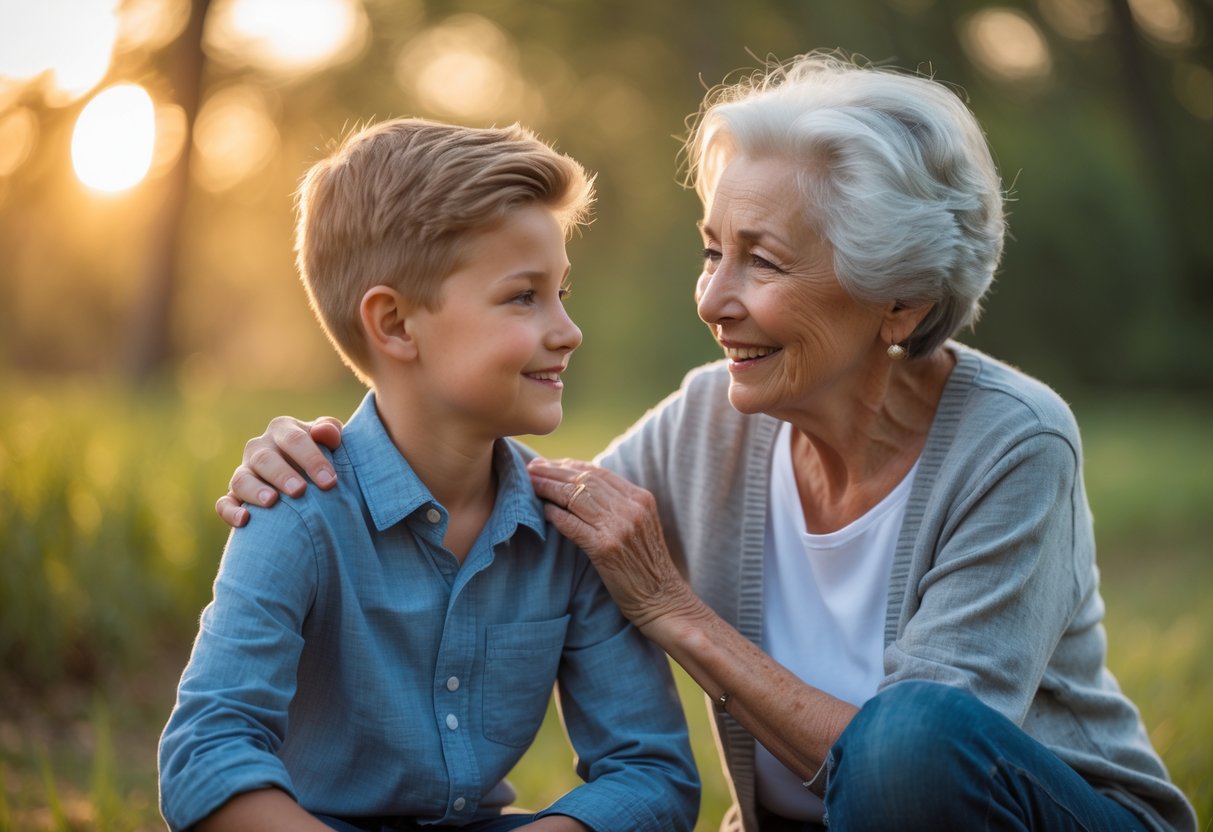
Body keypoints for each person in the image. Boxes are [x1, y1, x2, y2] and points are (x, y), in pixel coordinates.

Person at [214, 54, 1197, 832]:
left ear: (898, 294)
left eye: (759, 260)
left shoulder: (1013, 442)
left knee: (909, 739)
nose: (713, 300)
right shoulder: (704, 423)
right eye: (708, 249)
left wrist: (678, 613)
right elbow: (529, 495)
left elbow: (911, 775)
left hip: (1051, 815)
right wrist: (320, 448)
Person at [159, 118, 700, 832]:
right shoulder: (297, 511)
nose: (567, 329)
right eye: (522, 296)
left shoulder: (568, 529)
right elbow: (205, 753)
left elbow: (651, 773)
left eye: (562, 293)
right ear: (393, 325)